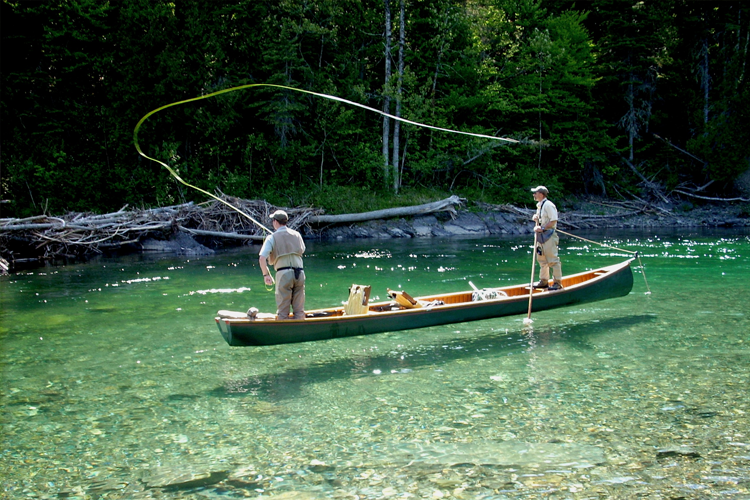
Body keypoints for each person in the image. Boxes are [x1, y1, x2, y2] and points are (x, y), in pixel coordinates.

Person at [258, 210, 306, 320]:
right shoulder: (297, 235)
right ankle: (300, 331)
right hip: (300, 273)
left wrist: (266, 275)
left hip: (284, 274)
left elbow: (262, 258)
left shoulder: (271, 237)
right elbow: (302, 250)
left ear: (275, 221)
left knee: (283, 312)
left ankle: (284, 333)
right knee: (299, 310)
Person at [531, 186, 563, 291]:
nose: (534, 195)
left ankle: (557, 283)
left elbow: (553, 220)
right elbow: (542, 218)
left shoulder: (549, 205)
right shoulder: (540, 206)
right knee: (542, 259)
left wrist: (543, 227)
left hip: (549, 235)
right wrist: (536, 218)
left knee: (553, 260)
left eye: (535, 193)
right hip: (541, 236)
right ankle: (544, 281)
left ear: (541, 194)